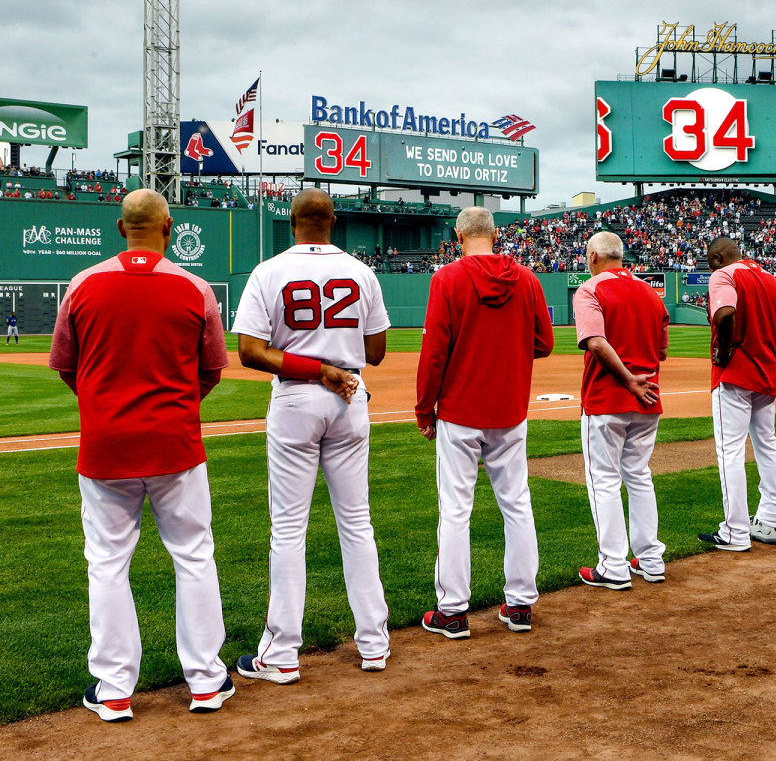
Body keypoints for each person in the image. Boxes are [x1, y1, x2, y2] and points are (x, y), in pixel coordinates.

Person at [48, 189, 234, 721]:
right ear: (169, 227)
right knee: (193, 556)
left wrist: (107, 409)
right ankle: (204, 682)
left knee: (106, 564)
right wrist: (173, 409)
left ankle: (113, 691)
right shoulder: (194, 287)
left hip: (106, 446)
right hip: (175, 443)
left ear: (119, 227)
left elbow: (67, 367)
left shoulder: (82, 285)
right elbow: (211, 371)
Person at [232, 188, 392, 682]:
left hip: (297, 398)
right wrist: (332, 364)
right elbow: (378, 351)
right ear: (334, 222)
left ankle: (281, 656)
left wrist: (313, 366)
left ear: (291, 222)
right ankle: (374, 644)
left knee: (288, 528)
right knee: (357, 522)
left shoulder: (270, 270)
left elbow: (250, 352)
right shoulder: (361, 271)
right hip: (349, 395)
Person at [416, 206, 553, 637]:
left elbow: (435, 350)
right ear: (495, 234)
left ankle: (452, 612)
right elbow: (544, 343)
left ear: (458, 236)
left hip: (459, 412)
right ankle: (519, 606)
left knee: (456, 510)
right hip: (509, 412)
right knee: (517, 504)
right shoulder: (528, 279)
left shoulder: (448, 278)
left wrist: (425, 408)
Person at [572, 231, 670, 590]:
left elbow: (596, 342)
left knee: (605, 481)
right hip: (648, 398)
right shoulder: (650, 292)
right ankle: (651, 559)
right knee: (639, 476)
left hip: (607, 397)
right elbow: (661, 352)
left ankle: (613, 566)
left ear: (594, 257)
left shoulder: (590, 289)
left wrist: (627, 378)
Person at [698, 237, 776, 551]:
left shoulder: (723, 275)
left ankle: (735, 532)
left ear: (716, 258)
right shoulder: (773, 281)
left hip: (735, 372)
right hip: (766, 372)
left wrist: (724, 352)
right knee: (767, 445)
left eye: (710, 262)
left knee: (731, 453)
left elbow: (725, 313)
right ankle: (772, 520)